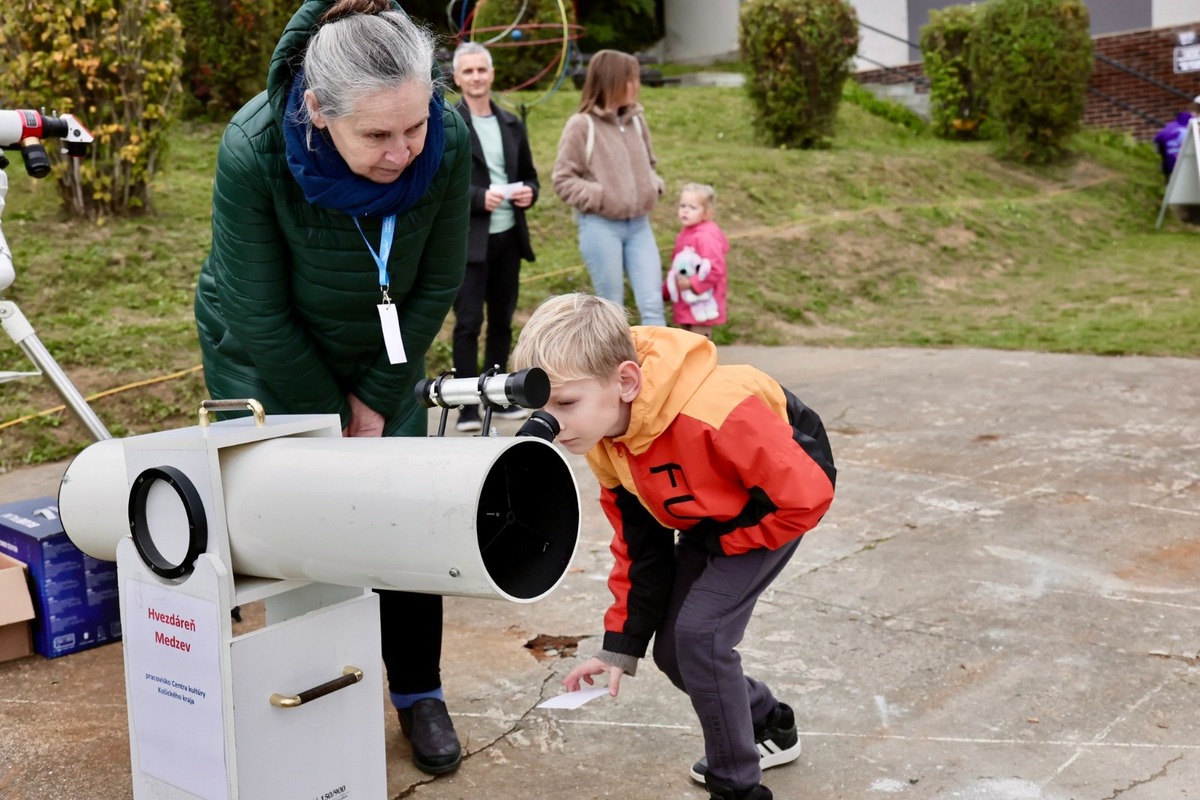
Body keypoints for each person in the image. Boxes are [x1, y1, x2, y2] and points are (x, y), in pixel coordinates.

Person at [194, 0, 470, 776]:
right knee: (301, 527)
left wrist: (379, 399)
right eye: (377, 136)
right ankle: (302, 694)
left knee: (404, 521)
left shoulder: (443, 146)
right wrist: (327, 420)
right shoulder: (253, 148)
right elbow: (256, 308)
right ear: (317, 111)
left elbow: (438, 279)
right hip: (268, 356)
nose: (402, 152)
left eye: (413, 127)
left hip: (384, 357)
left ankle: (419, 691)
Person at [510, 293, 837, 800]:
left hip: (767, 510)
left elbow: (806, 497)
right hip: (708, 514)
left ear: (624, 381)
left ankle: (737, 787)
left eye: (565, 404)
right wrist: (619, 648)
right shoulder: (603, 439)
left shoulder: (719, 410)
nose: (552, 424)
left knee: (699, 635)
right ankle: (768, 722)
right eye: (541, 407)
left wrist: (724, 540)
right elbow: (641, 549)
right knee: (674, 653)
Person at [450, 41, 540, 433]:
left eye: (481, 70)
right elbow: (439, 188)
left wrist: (529, 194)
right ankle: (469, 406)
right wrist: (476, 198)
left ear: (491, 74)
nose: (475, 77)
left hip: (508, 238)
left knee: (502, 321)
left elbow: (531, 175)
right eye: (467, 71)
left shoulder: (511, 124)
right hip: (470, 241)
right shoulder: (448, 124)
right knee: (468, 322)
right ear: (457, 77)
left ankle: (499, 398)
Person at [552, 50, 666, 326]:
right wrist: (600, 197)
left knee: (652, 305)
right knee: (611, 310)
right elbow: (563, 179)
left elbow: (651, 162)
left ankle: (662, 369)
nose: (636, 85)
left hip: (640, 226)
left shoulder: (638, 121)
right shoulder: (581, 125)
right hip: (601, 228)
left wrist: (653, 184)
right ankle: (617, 369)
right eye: (631, 78)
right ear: (612, 81)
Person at [665, 182, 729, 339]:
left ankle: (701, 364)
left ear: (707, 213)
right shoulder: (685, 234)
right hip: (686, 301)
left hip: (702, 302)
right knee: (687, 341)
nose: (685, 210)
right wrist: (667, 290)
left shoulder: (705, 237)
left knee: (699, 342)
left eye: (693, 208)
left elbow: (715, 268)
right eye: (683, 205)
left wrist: (692, 283)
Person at [1153, 98, 1198, 181]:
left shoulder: (1168, 128)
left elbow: (1157, 145)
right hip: (1193, 169)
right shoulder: (1196, 127)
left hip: (1171, 169)